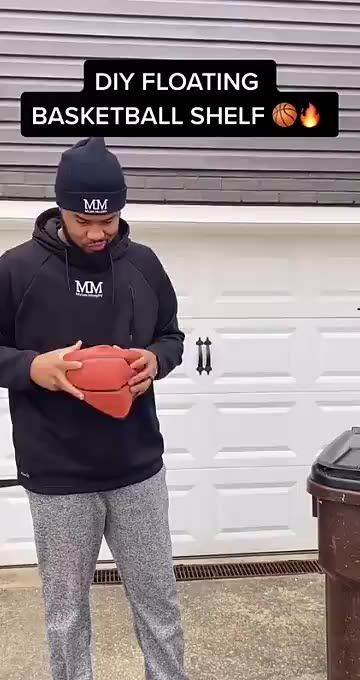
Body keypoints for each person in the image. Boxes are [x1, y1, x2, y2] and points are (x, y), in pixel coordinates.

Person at [0, 137, 189, 680]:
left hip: (137, 471)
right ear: (60, 207)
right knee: (66, 617)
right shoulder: (17, 270)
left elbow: (172, 337)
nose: (98, 231)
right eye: (84, 219)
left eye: (109, 218)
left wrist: (156, 359)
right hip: (57, 474)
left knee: (160, 607)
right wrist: (32, 368)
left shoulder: (144, 266)